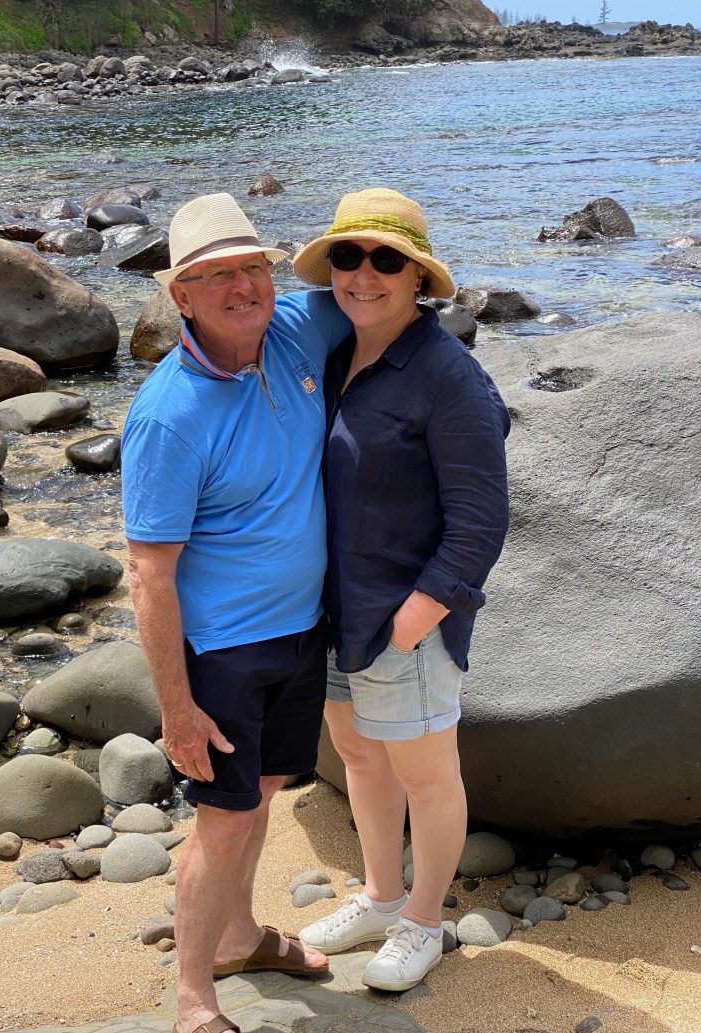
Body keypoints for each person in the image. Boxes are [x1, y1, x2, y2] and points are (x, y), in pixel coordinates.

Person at [121, 192, 349, 1033]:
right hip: (222, 651)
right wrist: (175, 711)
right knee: (225, 817)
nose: (241, 288)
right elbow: (150, 576)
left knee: (265, 789)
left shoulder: (295, 330)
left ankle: (244, 936)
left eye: (252, 267)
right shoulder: (168, 415)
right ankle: (193, 1002)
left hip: (300, 630)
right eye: (213, 277)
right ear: (180, 297)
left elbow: (379, 285)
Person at [292, 188, 510, 992]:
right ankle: (381, 898)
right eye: (348, 257)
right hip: (333, 615)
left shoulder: (447, 376)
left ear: (418, 277)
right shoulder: (334, 355)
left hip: (403, 620)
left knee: (427, 775)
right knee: (358, 758)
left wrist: (416, 621)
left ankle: (424, 921)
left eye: (388, 259)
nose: (364, 275)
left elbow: (482, 521)